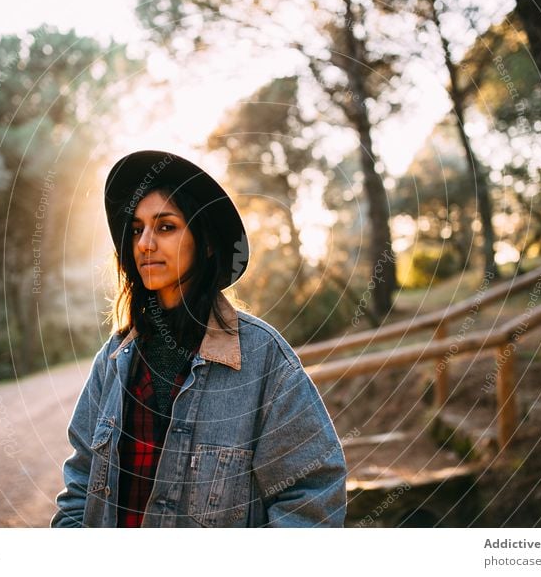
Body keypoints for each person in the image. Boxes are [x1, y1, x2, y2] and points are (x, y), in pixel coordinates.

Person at [51, 150, 347, 528]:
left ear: (206, 242)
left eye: (165, 227)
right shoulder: (114, 358)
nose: (144, 244)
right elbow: (79, 487)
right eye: (138, 229)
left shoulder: (262, 356)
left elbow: (314, 492)